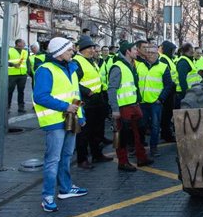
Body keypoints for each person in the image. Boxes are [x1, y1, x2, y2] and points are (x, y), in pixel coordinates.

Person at [33, 37, 88, 212]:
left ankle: (65, 188)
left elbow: (75, 93)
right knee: (53, 160)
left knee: (66, 156)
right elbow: (40, 96)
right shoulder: (45, 70)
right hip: (55, 121)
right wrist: (66, 107)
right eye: (69, 50)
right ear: (59, 52)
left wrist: (80, 115)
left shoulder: (71, 68)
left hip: (70, 119)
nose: (73, 52)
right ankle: (47, 196)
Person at [108, 41, 153, 171]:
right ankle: (122, 162)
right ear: (127, 51)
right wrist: (115, 110)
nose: (137, 52)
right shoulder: (118, 67)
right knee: (122, 136)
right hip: (123, 107)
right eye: (134, 49)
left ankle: (141, 158)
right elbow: (112, 89)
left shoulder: (131, 65)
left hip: (133, 105)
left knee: (139, 132)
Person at [73, 36, 112, 169]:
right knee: (84, 133)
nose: (92, 50)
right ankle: (82, 159)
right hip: (86, 102)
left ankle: (97, 154)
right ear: (82, 49)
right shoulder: (77, 62)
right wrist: (86, 91)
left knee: (97, 130)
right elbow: (74, 83)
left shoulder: (90, 61)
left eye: (93, 48)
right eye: (89, 48)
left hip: (97, 100)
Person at [136, 44, 173, 157]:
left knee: (155, 126)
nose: (151, 55)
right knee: (141, 126)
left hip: (155, 102)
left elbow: (168, 85)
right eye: (149, 53)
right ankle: (140, 147)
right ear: (145, 54)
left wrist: (160, 99)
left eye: (153, 53)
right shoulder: (140, 66)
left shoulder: (163, 67)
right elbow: (136, 83)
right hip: (142, 102)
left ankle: (153, 148)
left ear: (157, 54)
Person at [158, 40, 178, 142]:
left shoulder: (168, 59)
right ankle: (166, 134)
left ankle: (165, 133)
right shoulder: (164, 59)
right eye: (173, 50)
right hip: (168, 89)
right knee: (166, 114)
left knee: (168, 113)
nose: (174, 52)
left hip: (170, 88)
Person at [7, 38, 29, 113]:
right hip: (12, 75)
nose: (24, 44)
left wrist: (28, 72)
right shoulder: (10, 51)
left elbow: (27, 63)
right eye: (23, 43)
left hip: (22, 75)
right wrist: (13, 65)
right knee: (10, 91)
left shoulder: (25, 52)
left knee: (21, 91)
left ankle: (21, 107)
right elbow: (4, 61)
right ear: (18, 43)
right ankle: (7, 107)